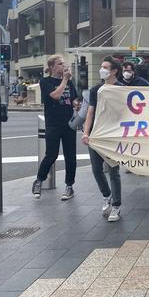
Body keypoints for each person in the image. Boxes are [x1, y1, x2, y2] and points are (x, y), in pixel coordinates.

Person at [81, 56, 124, 222]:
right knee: (96, 169)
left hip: (112, 135)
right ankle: (107, 196)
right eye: (102, 66)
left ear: (114, 71)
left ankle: (117, 205)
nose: (102, 69)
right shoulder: (96, 89)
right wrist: (86, 132)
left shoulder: (121, 89)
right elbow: (90, 112)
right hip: (95, 135)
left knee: (114, 171)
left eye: (105, 67)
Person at [32, 54, 80, 200]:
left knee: (70, 156)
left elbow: (73, 99)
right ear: (52, 67)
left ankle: (69, 186)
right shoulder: (45, 81)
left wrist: (76, 104)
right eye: (59, 64)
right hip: (53, 123)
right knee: (51, 154)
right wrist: (65, 80)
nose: (63, 66)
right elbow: (55, 96)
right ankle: (39, 180)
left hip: (69, 124)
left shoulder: (70, 83)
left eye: (63, 63)